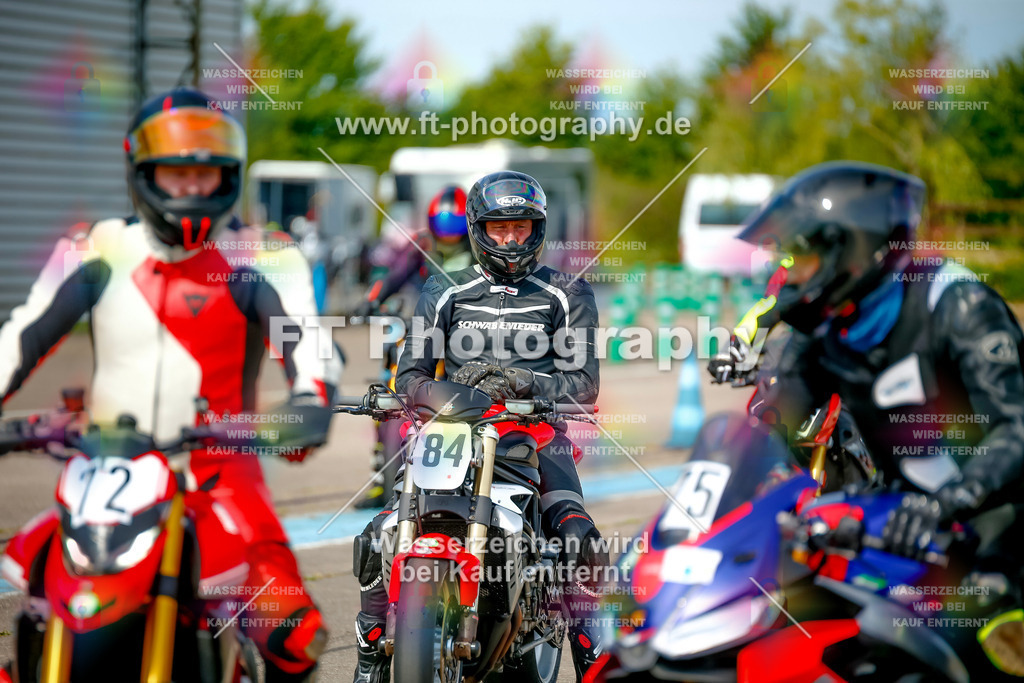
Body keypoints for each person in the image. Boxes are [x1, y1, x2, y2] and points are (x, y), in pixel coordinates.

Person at [0, 88, 342, 682]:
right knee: (39, 608)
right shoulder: (93, 244)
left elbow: (308, 338)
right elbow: (20, 335)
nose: (191, 186)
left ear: (227, 176)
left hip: (221, 478)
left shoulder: (263, 254)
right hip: (101, 478)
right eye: (177, 172)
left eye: (205, 174)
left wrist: (310, 398)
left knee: (292, 633)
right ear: (144, 170)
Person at [739, 160, 1024, 676]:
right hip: (897, 528)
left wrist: (948, 503)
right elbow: (779, 427)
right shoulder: (828, 324)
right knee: (805, 624)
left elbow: (1017, 429)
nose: (786, 271)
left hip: (997, 531)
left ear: (849, 247)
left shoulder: (956, 304)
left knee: (988, 639)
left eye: (799, 255)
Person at [351, 171, 607, 682]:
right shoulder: (444, 288)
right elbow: (411, 376)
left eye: (520, 227)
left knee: (580, 542)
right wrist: (457, 392)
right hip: (452, 429)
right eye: (499, 228)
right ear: (477, 230)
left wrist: (525, 385)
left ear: (536, 229)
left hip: (536, 433)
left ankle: (597, 667)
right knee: (378, 533)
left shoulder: (567, 293)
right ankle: (369, 654)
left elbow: (583, 383)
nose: (510, 239)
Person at [353, 185, 474, 509]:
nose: (448, 236)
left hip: (460, 332)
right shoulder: (421, 244)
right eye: (443, 227)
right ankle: (382, 479)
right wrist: (371, 301)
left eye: (455, 228)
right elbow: (394, 275)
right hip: (418, 325)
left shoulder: (479, 249)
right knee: (384, 392)